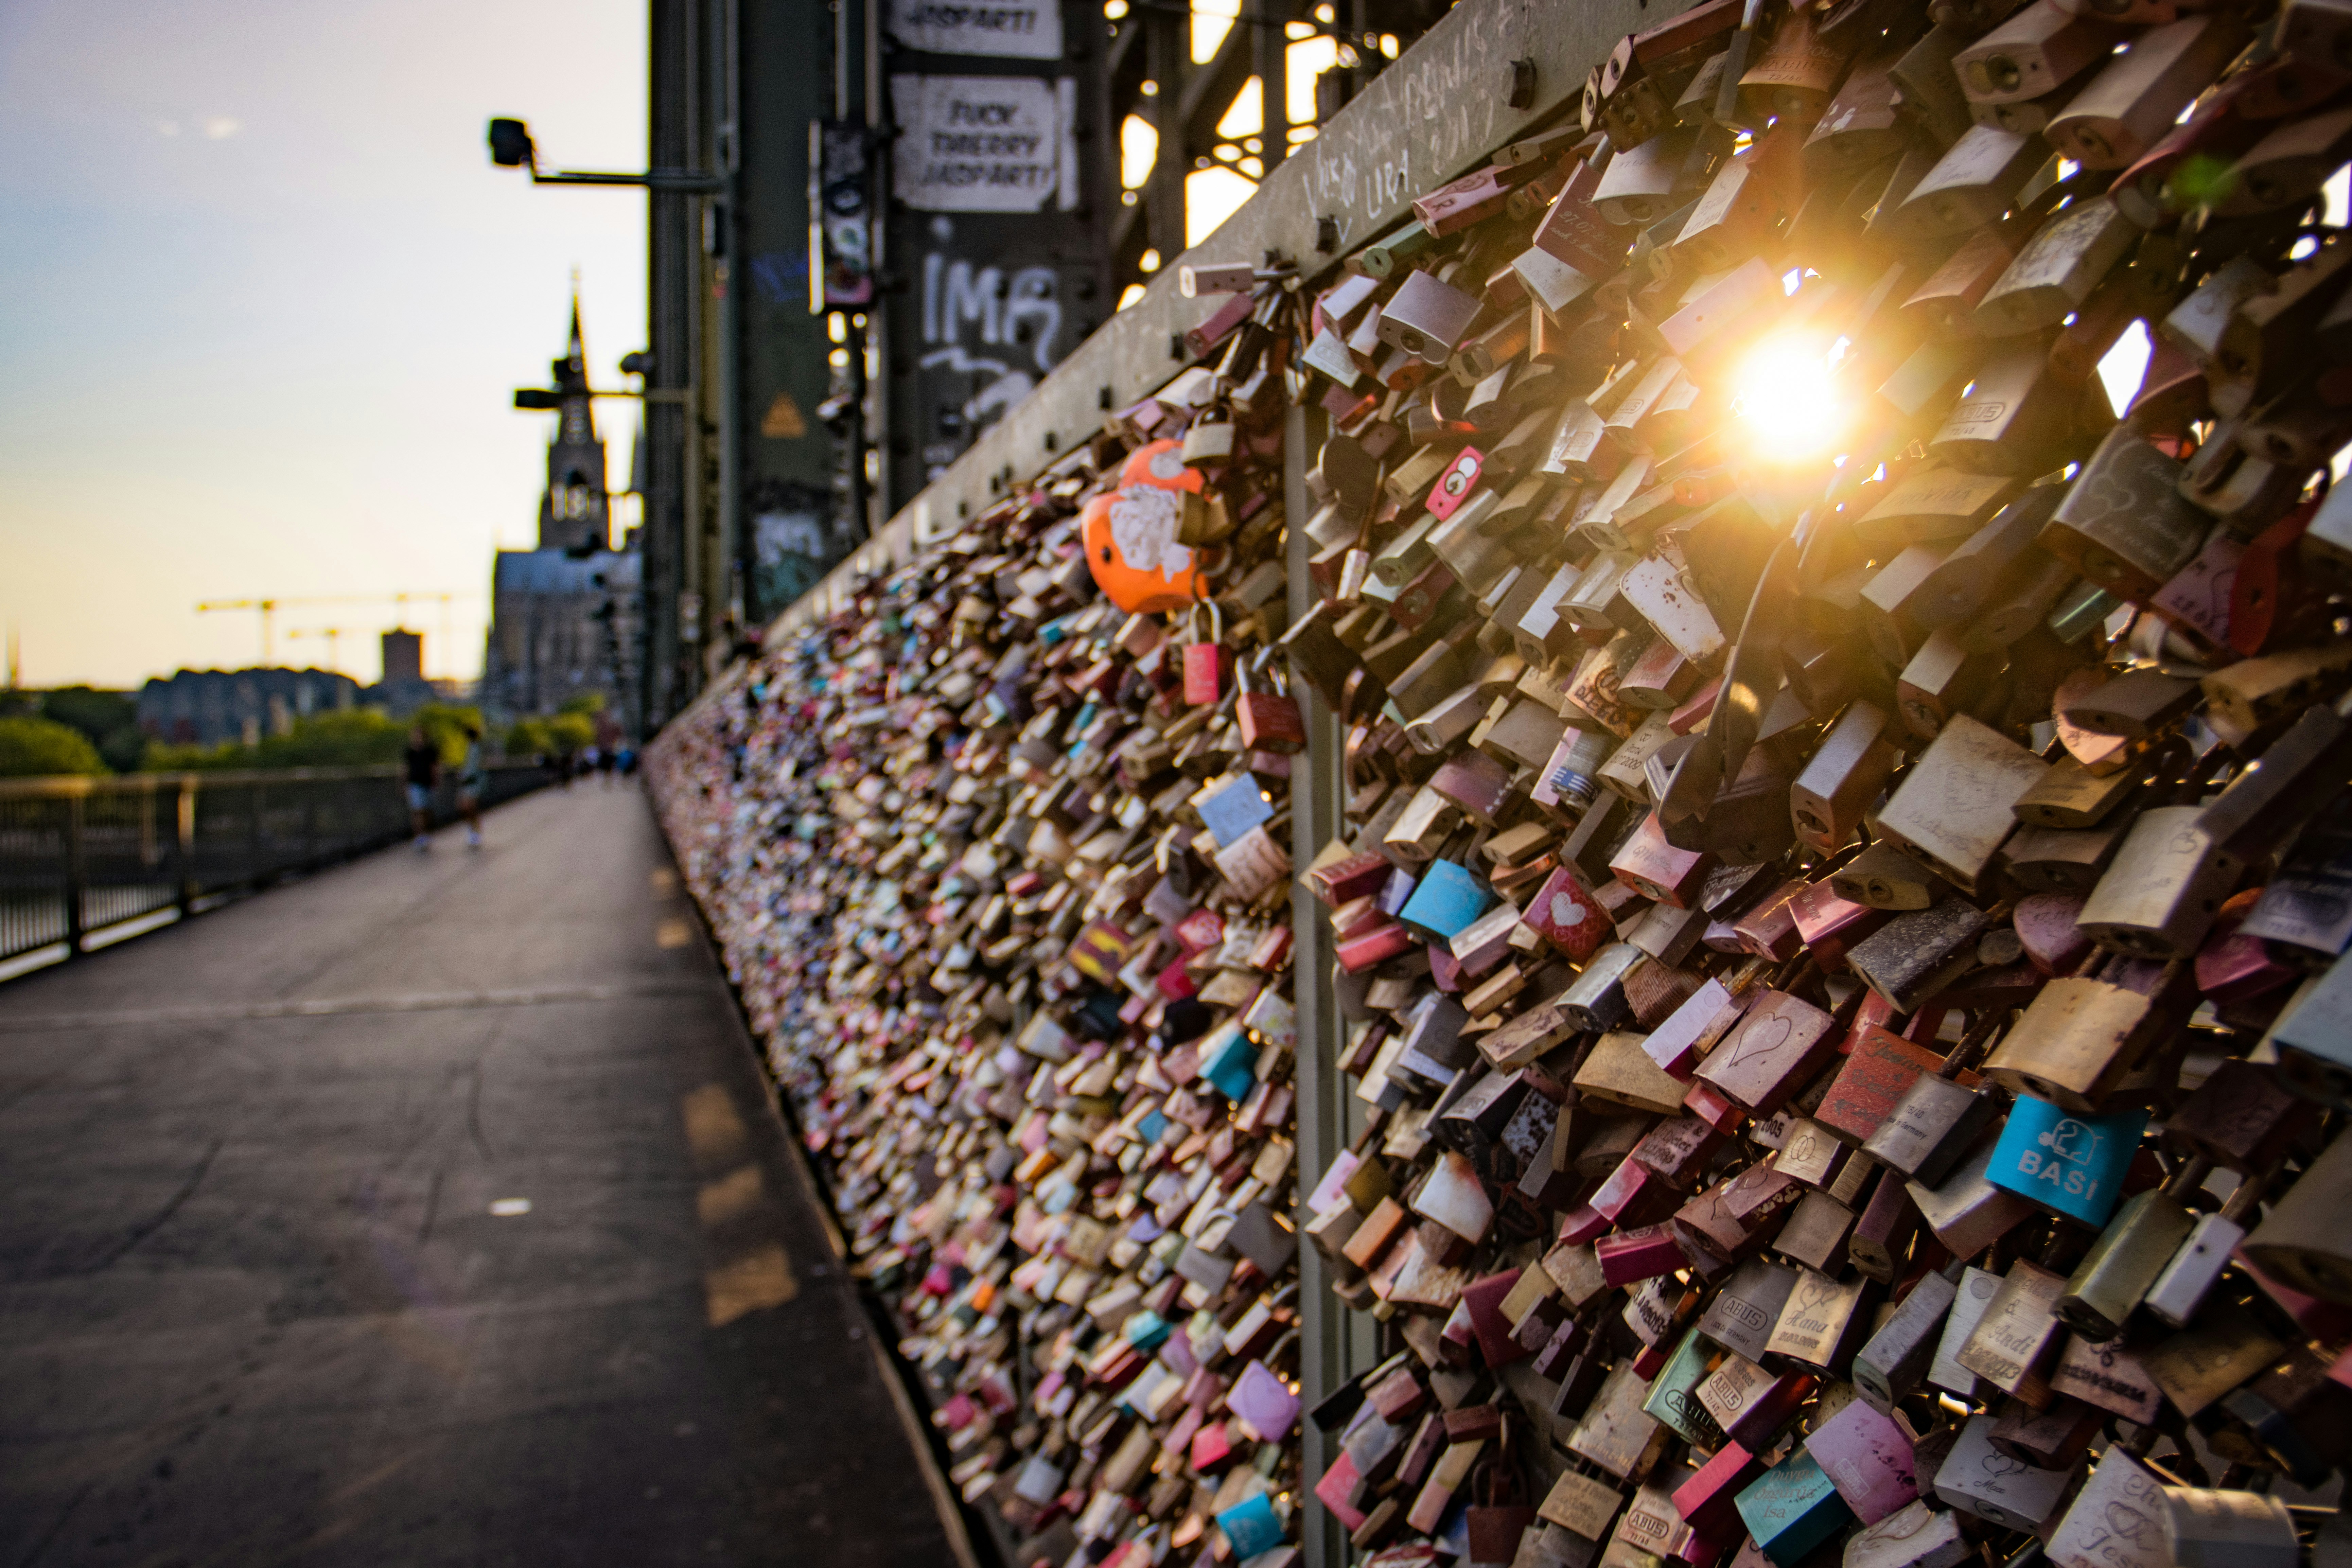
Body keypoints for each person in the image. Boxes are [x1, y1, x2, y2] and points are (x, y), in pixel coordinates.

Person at [403, 724, 439, 851]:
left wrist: (436, 783)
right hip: (415, 784)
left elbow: (434, 768)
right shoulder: (409, 751)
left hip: (427, 784)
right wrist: (405, 784)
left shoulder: (430, 751)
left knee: (426, 811)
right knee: (417, 810)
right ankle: (419, 836)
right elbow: (405, 768)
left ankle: (425, 834)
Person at [457, 724, 487, 849]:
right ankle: (474, 831)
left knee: (469, 808)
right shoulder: (473, 747)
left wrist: (463, 775)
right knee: (468, 808)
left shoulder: (475, 748)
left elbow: (472, 768)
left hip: (473, 783)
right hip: (471, 783)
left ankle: (474, 832)